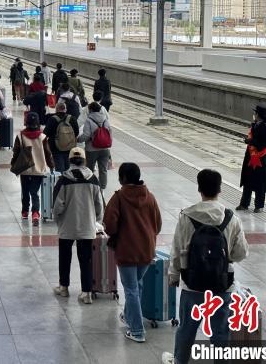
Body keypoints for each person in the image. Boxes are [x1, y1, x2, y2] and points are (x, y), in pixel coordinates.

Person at [162, 169, 249, 364]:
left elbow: (176, 250)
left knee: (187, 329)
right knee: (221, 331)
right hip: (222, 284)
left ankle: (180, 360)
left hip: (192, 284)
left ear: (199, 189)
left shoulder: (186, 216)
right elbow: (241, 253)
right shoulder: (231, 218)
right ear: (220, 189)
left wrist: (173, 275)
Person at [103, 163, 162, 343]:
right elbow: (158, 225)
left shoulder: (119, 198)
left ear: (123, 178)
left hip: (127, 250)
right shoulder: (150, 197)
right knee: (137, 285)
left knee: (131, 289)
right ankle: (129, 316)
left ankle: (137, 331)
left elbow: (110, 226)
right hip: (146, 250)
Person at [52, 147, 102, 305]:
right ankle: (86, 292)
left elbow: (57, 206)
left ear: (69, 160)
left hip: (67, 225)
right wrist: (96, 220)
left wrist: (58, 220)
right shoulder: (93, 180)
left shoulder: (63, 180)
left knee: (65, 257)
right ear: (84, 160)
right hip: (87, 226)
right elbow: (99, 204)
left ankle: (64, 287)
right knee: (86, 259)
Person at [11, 112, 54, 225]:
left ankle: (25, 211)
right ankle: (35, 213)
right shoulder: (43, 137)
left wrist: (13, 164)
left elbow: (16, 152)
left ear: (26, 122)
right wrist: (51, 166)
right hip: (38, 169)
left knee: (25, 191)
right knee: (34, 192)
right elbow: (48, 154)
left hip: (25, 169)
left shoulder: (20, 136)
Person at [237, 103, 266, 212]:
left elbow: (265, 145)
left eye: (255, 113)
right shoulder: (255, 125)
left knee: (260, 182)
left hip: (260, 158)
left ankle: (259, 206)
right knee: (248, 180)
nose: (254, 115)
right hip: (250, 157)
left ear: (258, 114)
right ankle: (244, 204)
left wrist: (251, 141)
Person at [79, 102, 111, 193]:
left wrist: (78, 139)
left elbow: (86, 135)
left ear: (91, 110)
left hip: (91, 149)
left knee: (90, 169)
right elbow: (109, 132)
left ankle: (91, 186)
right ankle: (102, 188)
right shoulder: (105, 119)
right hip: (104, 149)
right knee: (103, 169)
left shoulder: (89, 120)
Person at [44, 101, 79, 172]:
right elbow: (76, 132)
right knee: (68, 166)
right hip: (69, 146)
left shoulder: (52, 119)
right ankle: (67, 177)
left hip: (56, 147)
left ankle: (61, 177)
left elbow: (46, 133)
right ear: (65, 109)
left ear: (56, 109)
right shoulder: (72, 118)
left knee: (59, 167)